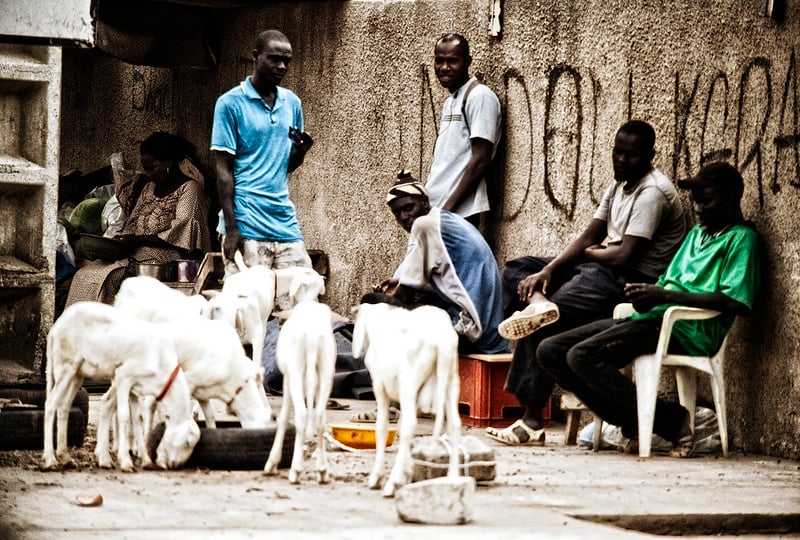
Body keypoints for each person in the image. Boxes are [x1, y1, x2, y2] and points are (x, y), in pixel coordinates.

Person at [536, 161, 760, 457]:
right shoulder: (697, 235)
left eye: (707, 201)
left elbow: (734, 302)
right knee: (550, 351)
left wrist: (663, 296)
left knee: (582, 355)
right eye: (696, 202)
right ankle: (634, 422)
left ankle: (670, 421)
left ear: (731, 197)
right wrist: (645, 295)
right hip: (655, 320)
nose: (699, 209)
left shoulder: (742, 239)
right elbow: (668, 282)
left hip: (689, 329)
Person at [486, 120, 686, 446]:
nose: (621, 160)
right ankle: (539, 302)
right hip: (601, 266)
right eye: (617, 152)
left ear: (650, 155)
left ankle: (531, 421)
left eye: (631, 155)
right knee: (517, 269)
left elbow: (624, 257)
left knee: (541, 325)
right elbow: (590, 236)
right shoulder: (620, 184)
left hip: (628, 280)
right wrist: (548, 271)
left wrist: (592, 255)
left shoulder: (652, 193)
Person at [63, 131, 212, 310]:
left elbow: (183, 231)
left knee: (109, 276)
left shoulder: (190, 189)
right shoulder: (149, 188)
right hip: (134, 252)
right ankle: (79, 331)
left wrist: (137, 240)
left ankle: (105, 328)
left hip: (166, 256)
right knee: (85, 274)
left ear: (168, 163)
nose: (148, 174)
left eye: (152, 168)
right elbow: (132, 223)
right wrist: (119, 241)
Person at [211, 29, 314, 276]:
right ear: (255, 57)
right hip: (246, 220)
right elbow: (223, 171)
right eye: (274, 59)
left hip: (282, 219)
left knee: (300, 296)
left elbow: (284, 166)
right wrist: (232, 229)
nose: (282, 66)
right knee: (250, 307)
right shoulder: (230, 104)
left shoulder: (292, 103)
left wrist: (301, 152)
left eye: (287, 61)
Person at [375, 171, 507, 355]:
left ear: (424, 203)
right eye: (397, 213)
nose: (404, 217)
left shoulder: (424, 225)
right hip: (491, 331)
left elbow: (403, 297)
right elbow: (458, 288)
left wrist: (376, 310)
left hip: (473, 331)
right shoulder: (449, 220)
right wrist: (401, 284)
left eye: (408, 208)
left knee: (381, 310)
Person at [426, 33, 501, 228]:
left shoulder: (480, 96)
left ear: (467, 62)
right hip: (438, 211)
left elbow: (480, 160)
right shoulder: (451, 101)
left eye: (453, 61)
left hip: (459, 213)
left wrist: (446, 212)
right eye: (439, 61)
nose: (444, 67)